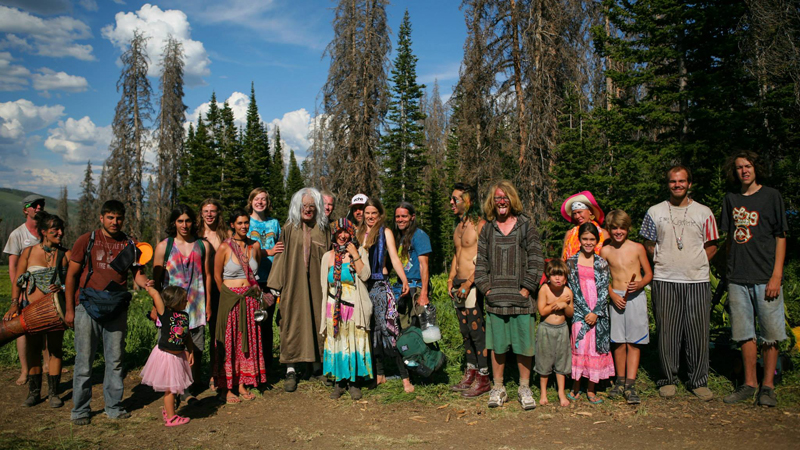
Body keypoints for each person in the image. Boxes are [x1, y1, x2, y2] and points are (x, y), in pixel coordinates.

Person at [65, 200, 153, 426]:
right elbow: (71, 276)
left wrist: (147, 284)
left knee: (115, 361)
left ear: (123, 219)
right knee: (84, 362)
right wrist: (69, 310)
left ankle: (113, 406)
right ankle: (80, 410)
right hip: (87, 307)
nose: (115, 222)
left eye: (119, 218)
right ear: (102, 218)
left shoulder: (130, 244)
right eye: (110, 217)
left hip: (116, 308)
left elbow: (138, 275)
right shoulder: (87, 240)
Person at [640, 166, 718, 400]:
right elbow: (648, 242)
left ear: (689, 184)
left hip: (697, 279)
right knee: (667, 331)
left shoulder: (704, 212)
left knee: (697, 331)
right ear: (668, 184)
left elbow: (712, 244)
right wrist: (663, 260)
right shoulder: (655, 212)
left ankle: (698, 380)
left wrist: (696, 261)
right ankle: (668, 379)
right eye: (673, 181)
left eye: (682, 181)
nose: (677, 185)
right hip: (664, 278)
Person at [720, 151, 788, 407]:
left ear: (756, 168)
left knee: (770, 334)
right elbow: (728, 240)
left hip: (766, 276)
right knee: (744, 334)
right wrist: (727, 275)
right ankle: (750, 384)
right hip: (738, 277)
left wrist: (776, 276)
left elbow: (781, 236)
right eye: (739, 167)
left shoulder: (771, 196)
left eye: (747, 166)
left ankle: (767, 387)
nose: (744, 171)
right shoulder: (732, 199)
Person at [474, 180, 544, 411]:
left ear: (512, 199)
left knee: (524, 345)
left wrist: (527, 288)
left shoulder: (525, 226)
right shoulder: (488, 228)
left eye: (505, 197)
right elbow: (481, 263)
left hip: (522, 300)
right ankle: (498, 387)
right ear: (492, 203)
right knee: (498, 346)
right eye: (497, 198)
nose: (501, 202)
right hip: (496, 300)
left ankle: (524, 387)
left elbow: (536, 259)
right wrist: (487, 289)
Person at [267, 188, 331, 392]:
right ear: (297, 207)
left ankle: (317, 367)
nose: (308, 209)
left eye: (312, 206)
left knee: (318, 322)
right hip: (293, 286)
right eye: (304, 206)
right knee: (291, 323)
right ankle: (291, 370)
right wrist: (275, 286)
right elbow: (280, 257)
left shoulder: (324, 229)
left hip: (318, 287)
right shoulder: (288, 228)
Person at [4, 211, 69, 407]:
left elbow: (74, 281)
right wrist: (15, 303)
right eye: (54, 230)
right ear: (43, 232)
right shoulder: (29, 252)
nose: (59, 233)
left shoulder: (66, 254)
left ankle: (54, 393)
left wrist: (63, 288)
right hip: (30, 310)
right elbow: (18, 279)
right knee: (33, 349)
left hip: (56, 312)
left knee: (55, 350)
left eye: (61, 229)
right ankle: (34, 392)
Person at [151, 205, 211, 399]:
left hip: (196, 304)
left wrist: (208, 303)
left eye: (188, 221)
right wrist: (155, 306)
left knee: (197, 346)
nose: (184, 225)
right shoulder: (164, 246)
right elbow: (157, 279)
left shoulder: (203, 246)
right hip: (171, 308)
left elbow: (208, 275)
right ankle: (173, 388)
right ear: (174, 223)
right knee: (173, 348)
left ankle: (190, 385)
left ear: (193, 222)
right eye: (180, 221)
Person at [213, 208, 266, 403]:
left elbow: (255, 272)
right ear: (232, 225)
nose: (244, 226)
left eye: (246, 223)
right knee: (229, 342)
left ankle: (242, 383)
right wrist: (226, 296)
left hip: (250, 300)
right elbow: (217, 276)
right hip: (230, 299)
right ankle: (227, 387)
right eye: (240, 223)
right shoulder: (225, 247)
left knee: (246, 341)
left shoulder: (255, 246)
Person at [356, 198, 410, 390]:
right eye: (367, 213)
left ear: (380, 214)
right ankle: (379, 374)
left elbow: (394, 257)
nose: (370, 217)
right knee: (372, 332)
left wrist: (403, 279)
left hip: (379, 285)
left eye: (374, 213)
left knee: (388, 329)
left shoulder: (385, 232)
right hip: (362, 286)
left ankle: (405, 378)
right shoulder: (359, 232)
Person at [600, 209, 653, 404]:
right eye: (614, 228)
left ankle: (630, 383)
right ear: (609, 229)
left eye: (622, 228)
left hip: (636, 297)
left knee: (634, 341)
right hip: (617, 299)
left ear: (628, 228)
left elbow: (648, 274)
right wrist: (612, 294)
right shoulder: (605, 251)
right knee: (618, 341)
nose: (618, 232)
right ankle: (619, 381)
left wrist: (640, 284)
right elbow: (602, 278)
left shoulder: (637, 248)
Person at [320, 218, 373, 399]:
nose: (343, 236)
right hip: (333, 306)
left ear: (352, 233)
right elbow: (323, 286)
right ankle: (339, 382)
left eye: (347, 232)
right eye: (339, 232)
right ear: (334, 234)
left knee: (353, 342)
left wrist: (355, 255)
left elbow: (365, 276)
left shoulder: (360, 252)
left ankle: (354, 382)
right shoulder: (328, 256)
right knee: (337, 342)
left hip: (354, 306)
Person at [446, 183, 490, 398]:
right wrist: (451, 278)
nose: (451, 203)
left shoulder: (480, 225)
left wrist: (469, 282)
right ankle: (470, 371)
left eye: (456, 199)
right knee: (465, 332)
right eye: (451, 199)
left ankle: (484, 376)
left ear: (468, 201)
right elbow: (457, 254)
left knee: (476, 331)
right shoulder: (459, 226)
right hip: (458, 284)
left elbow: (485, 257)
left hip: (472, 285)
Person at [567, 223, 615, 404]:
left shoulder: (601, 263)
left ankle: (591, 388)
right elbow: (573, 289)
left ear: (597, 241)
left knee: (594, 348)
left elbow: (603, 289)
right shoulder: (571, 262)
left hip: (598, 313)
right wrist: (586, 312)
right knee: (579, 346)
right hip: (580, 312)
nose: (588, 242)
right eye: (585, 239)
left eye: (592, 239)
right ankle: (576, 386)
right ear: (579, 240)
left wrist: (595, 312)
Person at [3, 194, 45, 385]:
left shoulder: (45, 232)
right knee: (22, 329)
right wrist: (17, 292)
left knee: (46, 324)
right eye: (34, 205)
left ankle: (46, 365)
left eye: (41, 205)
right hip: (25, 290)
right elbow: (13, 266)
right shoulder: (17, 234)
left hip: (45, 290)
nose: (38, 207)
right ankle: (25, 370)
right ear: (25, 210)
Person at [139, 285, 194, 427]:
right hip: (167, 357)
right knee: (171, 389)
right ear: (174, 302)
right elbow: (157, 296)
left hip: (178, 356)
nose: (186, 302)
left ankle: (168, 411)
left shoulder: (185, 316)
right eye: (183, 300)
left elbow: (187, 336)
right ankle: (171, 418)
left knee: (172, 388)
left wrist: (191, 350)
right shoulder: (165, 313)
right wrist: (150, 287)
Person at [247, 188, 284, 377]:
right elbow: (244, 249)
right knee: (251, 321)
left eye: (263, 199)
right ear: (251, 201)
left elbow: (281, 246)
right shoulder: (247, 222)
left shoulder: (274, 223)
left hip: (271, 280)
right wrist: (267, 252)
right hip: (251, 280)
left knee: (267, 321)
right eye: (256, 199)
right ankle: (252, 363)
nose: (260, 202)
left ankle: (267, 365)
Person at [535, 258, 574, 407]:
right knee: (544, 360)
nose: (557, 278)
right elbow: (542, 311)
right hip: (546, 329)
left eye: (560, 275)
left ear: (565, 277)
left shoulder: (567, 291)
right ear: (548, 276)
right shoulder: (544, 289)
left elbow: (570, 313)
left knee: (561, 361)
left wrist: (565, 304)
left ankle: (561, 392)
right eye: (553, 275)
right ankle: (543, 392)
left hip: (562, 329)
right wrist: (557, 304)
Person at [198, 198, 226, 392]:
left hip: (220, 289)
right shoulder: (195, 234)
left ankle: (216, 373)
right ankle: (191, 376)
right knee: (195, 334)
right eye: (206, 211)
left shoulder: (225, 235)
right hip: (197, 288)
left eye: (213, 211)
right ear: (201, 214)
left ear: (218, 214)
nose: (209, 214)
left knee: (218, 334)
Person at [560, 191, 610, 260]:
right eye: (574, 214)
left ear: (590, 211)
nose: (577, 216)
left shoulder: (603, 234)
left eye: (580, 212)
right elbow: (563, 259)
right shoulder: (569, 234)